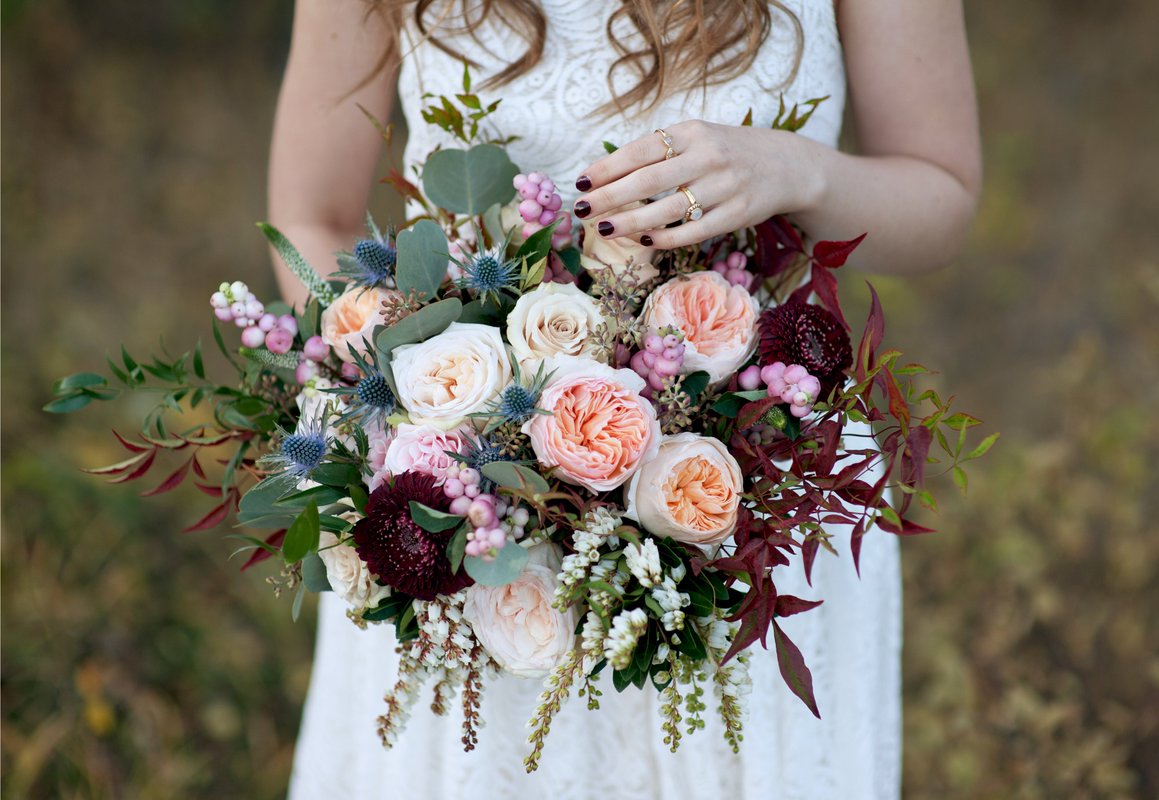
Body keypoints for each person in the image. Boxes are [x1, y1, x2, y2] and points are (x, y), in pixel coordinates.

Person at [273, 1, 979, 797]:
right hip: (466, 531)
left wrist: (796, 170)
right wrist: (429, 413)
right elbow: (314, 213)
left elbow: (942, 194)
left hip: (756, 510)